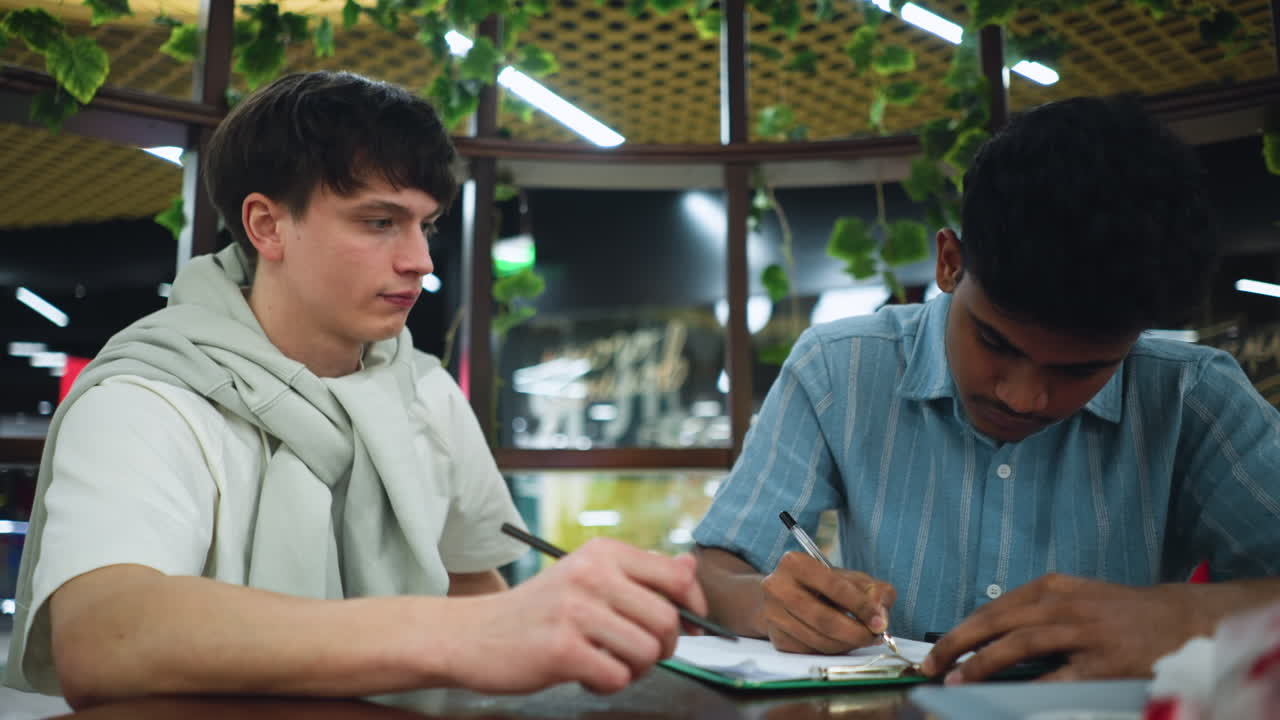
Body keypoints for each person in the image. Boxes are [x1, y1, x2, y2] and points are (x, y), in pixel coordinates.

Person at [6, 71, 706, 707]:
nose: (420, 261)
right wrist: (461, 634)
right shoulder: (146, 397)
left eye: (425, 224)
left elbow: (470, 584)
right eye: (379, 222)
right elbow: (103, 636)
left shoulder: (425, 392)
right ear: (267, 225)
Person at [692, 96, 1280, 684]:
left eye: (1080, 371)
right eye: (997, 344)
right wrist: (768, 603)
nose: (1024, 398)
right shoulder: (838, 370)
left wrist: (1184, 618)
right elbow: (718, 566)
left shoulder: (1193, 397)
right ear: (950, 263)